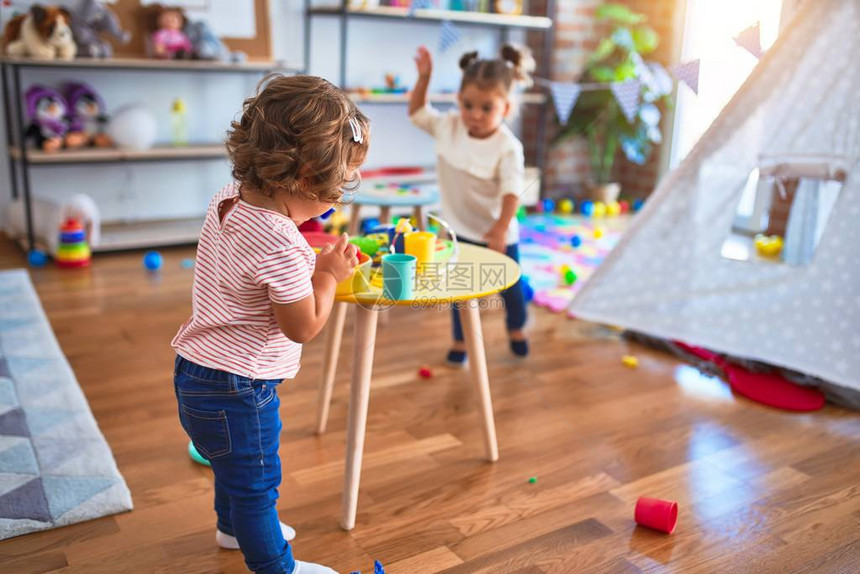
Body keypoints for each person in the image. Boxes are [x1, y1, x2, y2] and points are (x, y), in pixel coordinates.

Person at [171, 74, 369, 574]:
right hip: (240, 390)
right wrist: (325, 274)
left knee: (229, 467)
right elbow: (302, 326)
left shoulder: (230, 196)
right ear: (306, 178)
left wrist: (307, 258)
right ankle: (276, 567)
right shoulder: (282, 243)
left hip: (196, 374)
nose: (338, 198)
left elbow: (252, 265)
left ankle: (231, 528)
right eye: (339, 186)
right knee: (257, 483)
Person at [409, 44, 533, 365]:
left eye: (487, 108)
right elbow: (417, 113)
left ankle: (516, 328)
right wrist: (424, 78)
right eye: (468, 104)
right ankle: (460, 341)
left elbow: (511, 192)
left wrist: (501, 229)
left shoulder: (508, 147)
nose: (475, 114)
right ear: (459, 100)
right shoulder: (449, 126)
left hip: (497, 229)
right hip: (457, 227)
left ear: (505, 108)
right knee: (459, 290)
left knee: (510, 286)